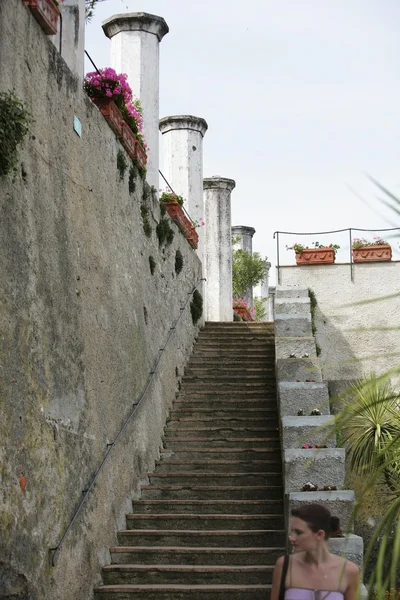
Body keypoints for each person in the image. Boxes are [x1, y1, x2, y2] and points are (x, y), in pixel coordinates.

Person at [271, 504, 360, 600]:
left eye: (299, 532)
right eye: (292, 531)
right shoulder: (285, 565)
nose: (291, 538)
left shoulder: (348, 571)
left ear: (319, 534)